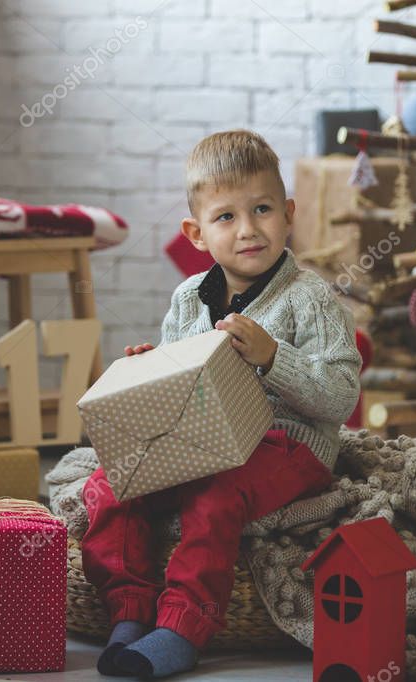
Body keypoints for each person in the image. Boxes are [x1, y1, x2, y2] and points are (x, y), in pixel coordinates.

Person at [80, 129, 362, 678]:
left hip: (286, 445)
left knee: (216, 492)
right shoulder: (189, 297)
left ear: (289, 214)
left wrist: (273, 357)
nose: (249, 229)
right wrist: (151, 365)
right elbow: (180, 374)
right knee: (111, 484)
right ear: (198, 233)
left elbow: (340, 398)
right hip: (203, 438)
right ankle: (130, 613)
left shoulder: (310, 297)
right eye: (226, 217)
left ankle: (183, 628)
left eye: (262, 209)